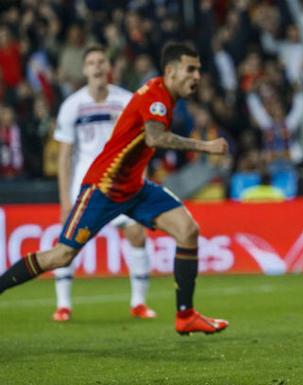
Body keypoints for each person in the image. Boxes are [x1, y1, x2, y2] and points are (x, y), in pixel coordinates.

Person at [0, 42, 230, 336]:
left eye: (198, 69)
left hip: (135, 188)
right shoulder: (155, 96)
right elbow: (155, 137)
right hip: (103, 187)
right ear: (171, 71)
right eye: (191, 69)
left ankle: (185, 315)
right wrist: (205, 146)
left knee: (188, 231)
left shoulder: (162, 97)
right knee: (61, 256)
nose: (197, 76)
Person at [52, 45, 156, 322]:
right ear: (85, 69)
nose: (97, 67)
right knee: (68, 245)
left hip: (122, 184)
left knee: (136, 234)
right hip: (85, 186)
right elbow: (64, 156)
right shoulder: (72, 105)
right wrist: (64, 199)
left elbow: (143, 143)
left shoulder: (127, 101)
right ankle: (63, 305)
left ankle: (139, 303)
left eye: (101, 62)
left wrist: (141, 177)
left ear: (108, 68)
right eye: (91, 63)